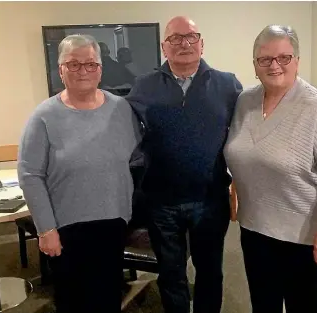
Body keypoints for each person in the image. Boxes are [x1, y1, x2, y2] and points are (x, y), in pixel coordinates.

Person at [224, 25, 317, 313]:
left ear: (297, 61)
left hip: (301, 235)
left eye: (284, 57)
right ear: (255, 65)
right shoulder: (245, 101)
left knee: (302, 306)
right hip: (254, 227)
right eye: (265, 59)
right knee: (263, 303)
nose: (274, 65)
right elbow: (244, 150)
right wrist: (235, 183)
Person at [126, 16, 243, 313]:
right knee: (171, 274)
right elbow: (123, 131)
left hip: (210, 199)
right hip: (161, 202)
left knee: (209, 272)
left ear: (202, 44)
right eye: (175, 38)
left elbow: (251, 128)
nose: (184, 44)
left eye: (191, 37)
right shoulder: (143, 87)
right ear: (164, 47)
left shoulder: (228, 85)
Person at [17, 34, 141, 313]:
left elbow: (136, 157)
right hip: (66, 227)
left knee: (109, 295)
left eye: (90, 64)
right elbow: (29, 174)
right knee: (73, 300)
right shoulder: (43, 117)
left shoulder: (121, 109)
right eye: (73, 64)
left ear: (101, 68)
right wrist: (46, 229)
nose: (83, 71)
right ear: (60, 69)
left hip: (113, 221)